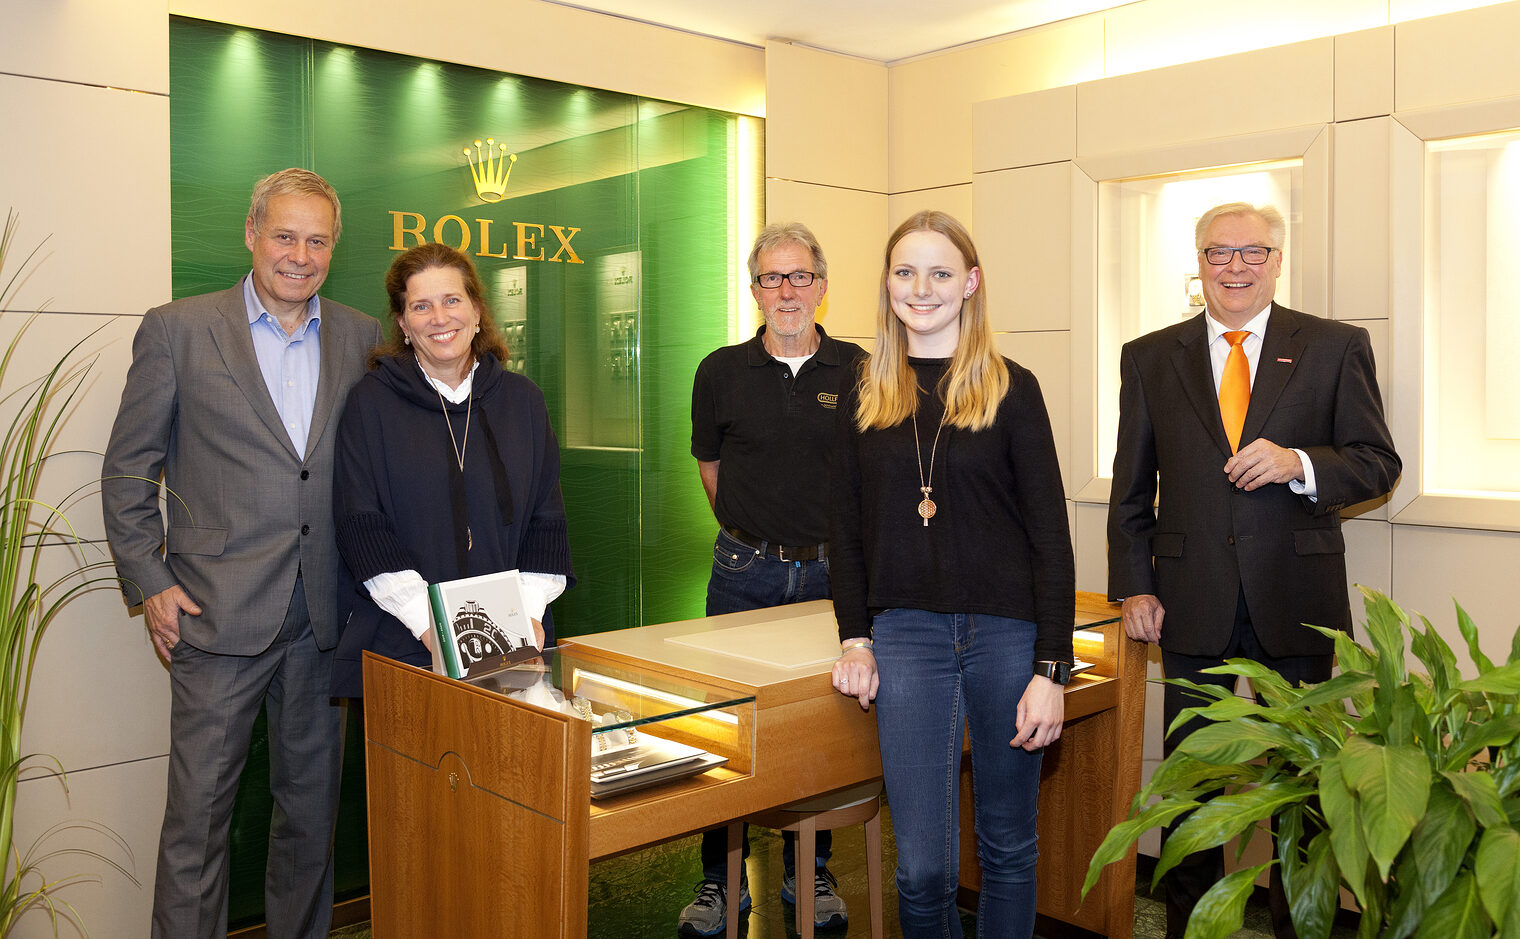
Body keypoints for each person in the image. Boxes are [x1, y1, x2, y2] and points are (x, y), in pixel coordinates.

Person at [101, 168, 383, 939]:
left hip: (323, 619)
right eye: (285, 235)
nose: (300, 254)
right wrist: (150, 582)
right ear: (252, 233)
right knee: (197, 827)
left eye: (317, 239)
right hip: (212, 615)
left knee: (308, 825)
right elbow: (129, 471)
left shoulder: (361, 336)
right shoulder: (178, 329)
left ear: (333, 247)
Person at [1106, 202, 1400, 938]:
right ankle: (1183, 925)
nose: (1235, 267)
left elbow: (1377, 462)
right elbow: (1130, 486)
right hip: (1188, 599)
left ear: (1277, 259)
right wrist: (1134, 582)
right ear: (1197, 262)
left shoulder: (1334, 346)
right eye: (1218, 253)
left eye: (1252, 253)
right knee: (1192, 784)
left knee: (1302, 786)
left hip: (1296, 598)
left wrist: (1298, 461)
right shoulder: (1149, 355)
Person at [830, 210, 1075, 938]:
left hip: (1007, 637)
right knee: (923, 868)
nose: (922, 287)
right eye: (906, 271)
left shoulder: (1012, 387)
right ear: (886, 283)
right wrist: (855, 639)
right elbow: (844, 534)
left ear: (970, 282)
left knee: (1006, 845)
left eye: (940, 272)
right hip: (905, 636)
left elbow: (1050, 538)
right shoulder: (861, 392)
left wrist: (1051, 669)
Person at [683, 222, 865, 936]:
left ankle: (809, 868)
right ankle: (717, 882)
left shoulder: (858, 369)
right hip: (742, 572)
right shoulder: (719, 370)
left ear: (822, 285)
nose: (785, 291)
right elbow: (711, 470)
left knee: (820, 729)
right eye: (771, 278)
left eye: (799, 277)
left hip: (831, 574)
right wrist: (754, 537)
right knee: (720, 726)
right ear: (754, 287)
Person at [329, 241, 573, 696]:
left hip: (516, 641)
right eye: (421, 306)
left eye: (452, 300)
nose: (439, 318)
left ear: (477, 311)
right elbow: (361, 525)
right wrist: (435, 630)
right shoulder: (371, 403)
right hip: (406, 642)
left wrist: (528, 617)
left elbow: (547, 518)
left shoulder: (523, 400)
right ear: (403, 324)